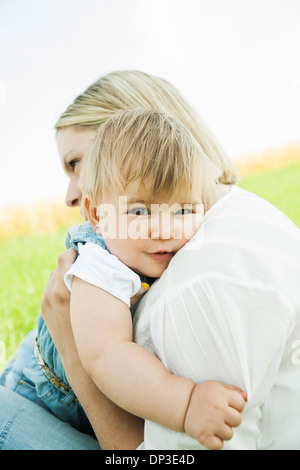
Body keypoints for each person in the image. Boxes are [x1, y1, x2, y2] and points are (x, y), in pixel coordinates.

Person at [0, 70, 240, 450]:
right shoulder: (102, 253)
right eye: (142, 211)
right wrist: (185, 403)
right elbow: (107, 351)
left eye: (77, 163)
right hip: (37, 391)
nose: (69, 196)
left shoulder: (201, 232)